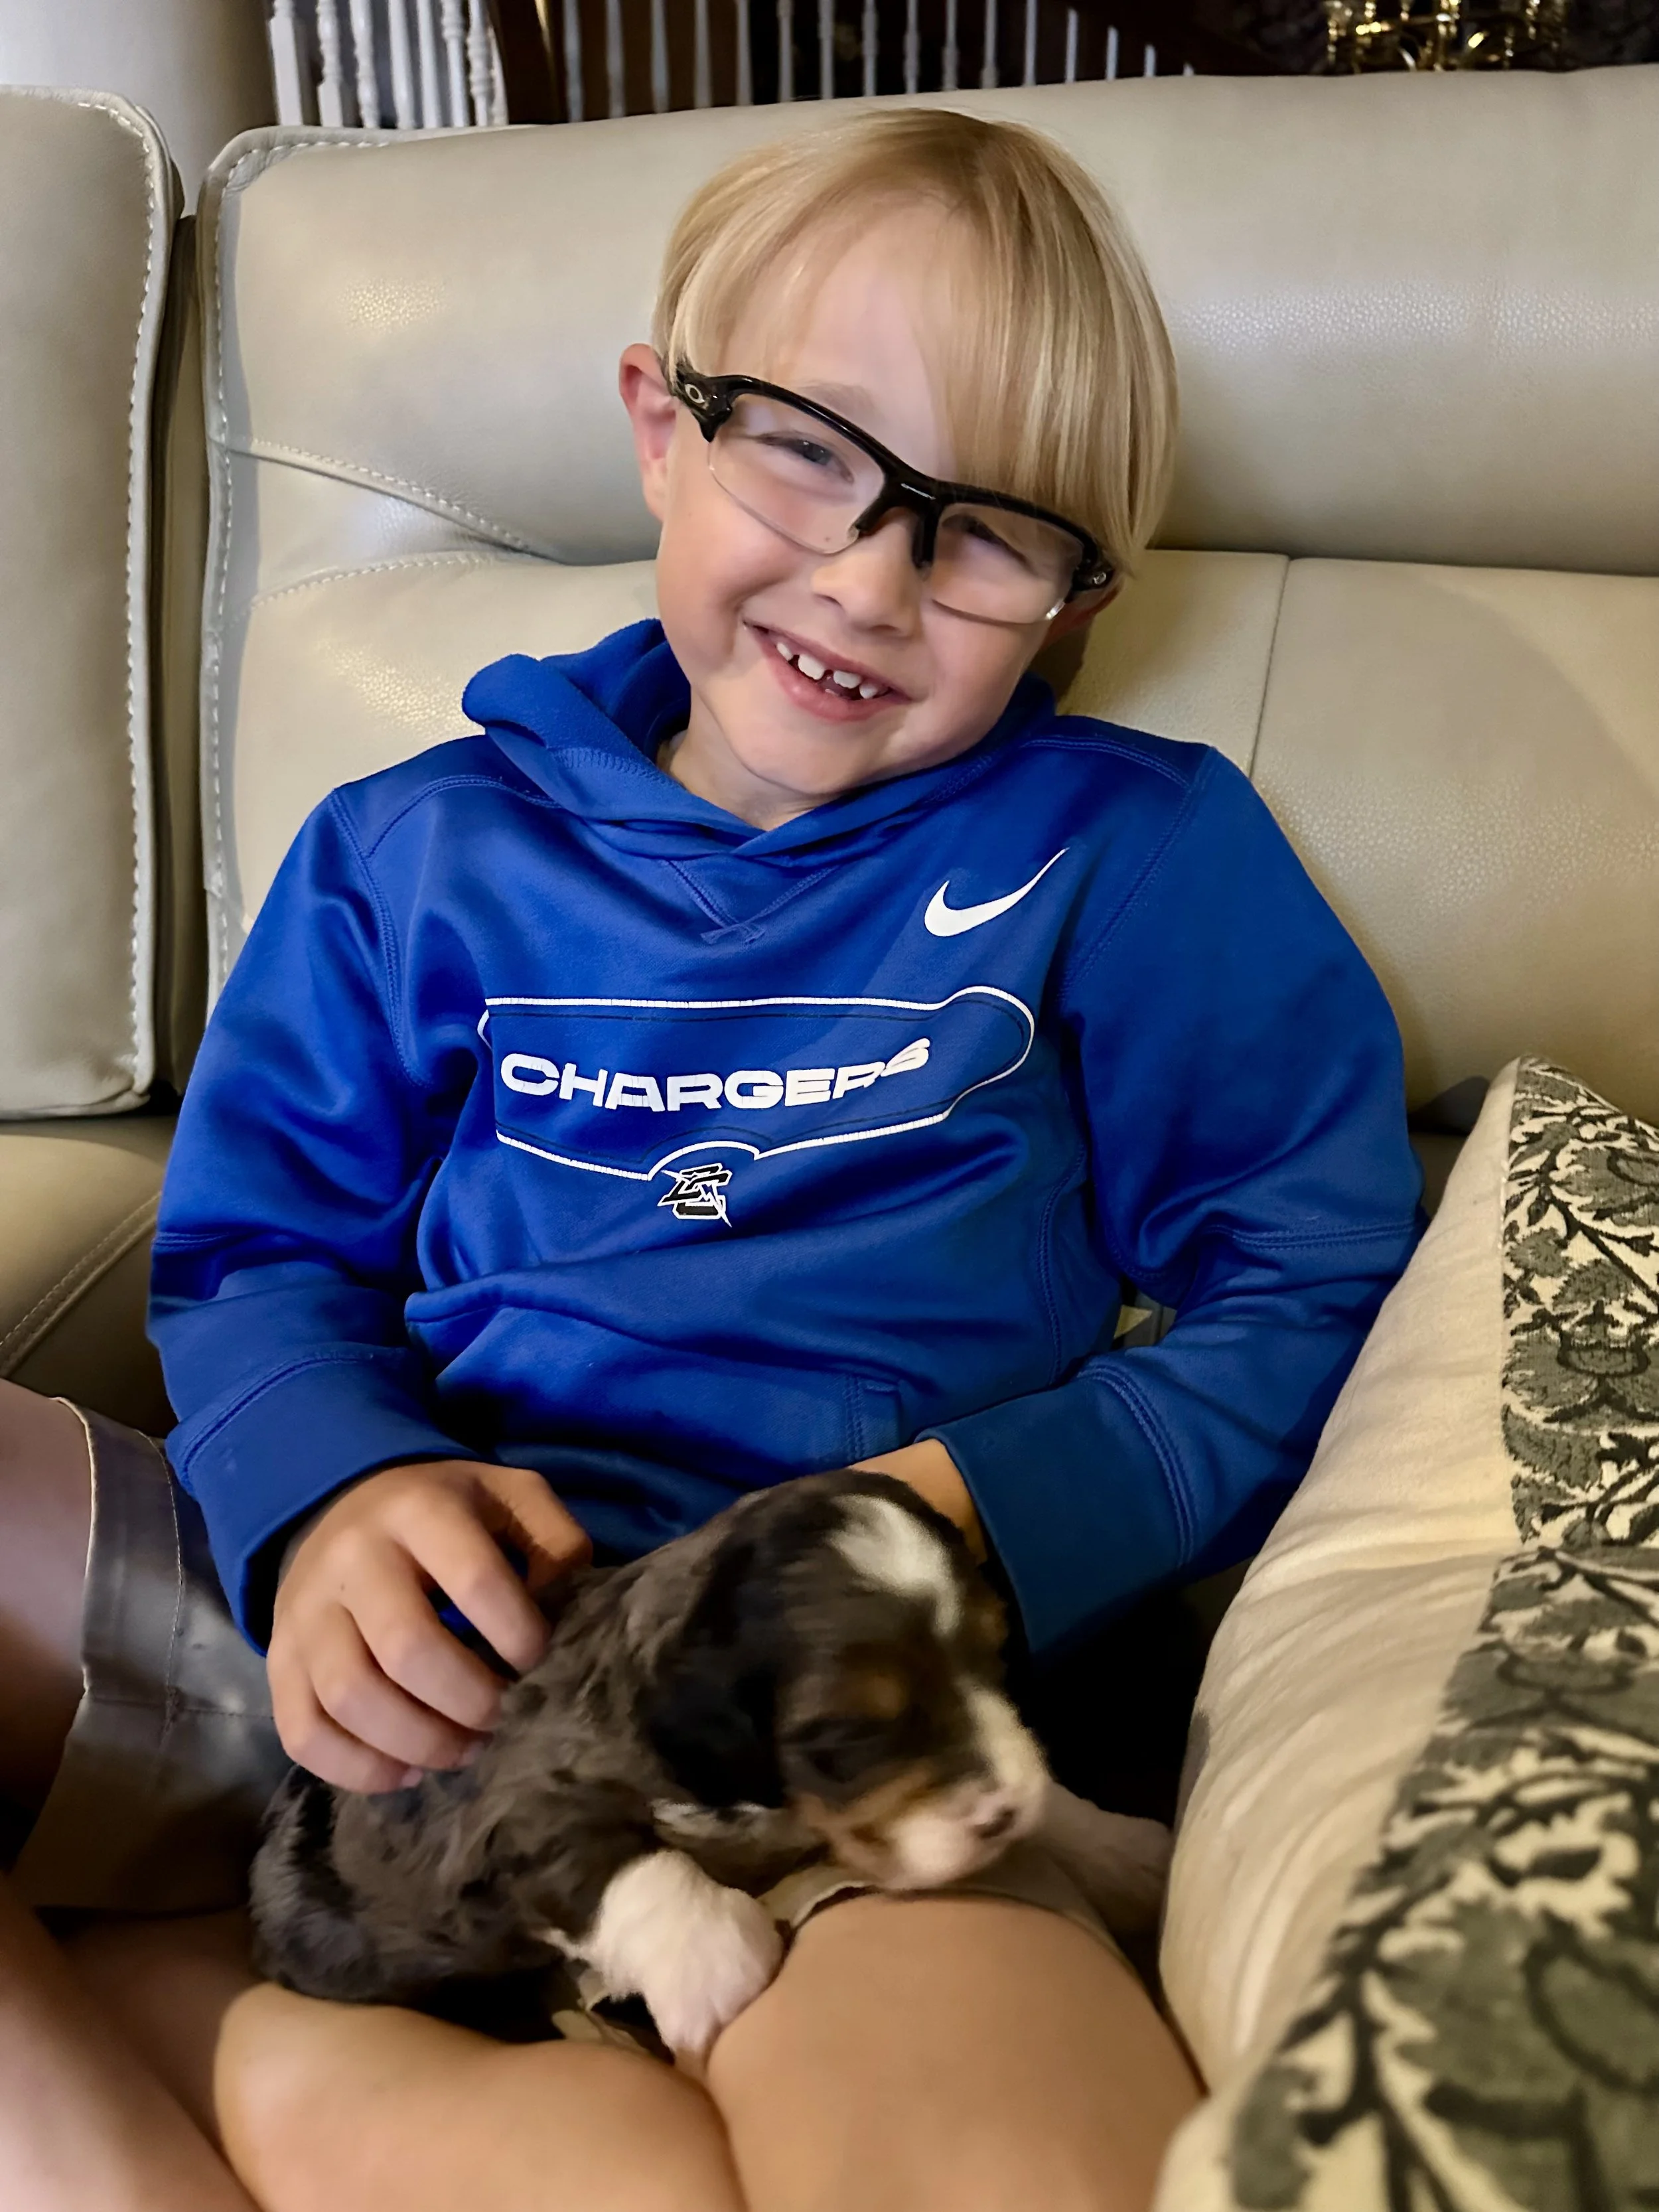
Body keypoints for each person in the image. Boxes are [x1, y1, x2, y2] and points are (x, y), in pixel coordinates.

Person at [0, 108, 1420, 2212]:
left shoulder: (1136, 852)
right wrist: (333, 1487)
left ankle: (281, 2038)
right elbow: (261, 1248)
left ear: (1075, 594)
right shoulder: (410, 851)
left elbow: (1313, 1284)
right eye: (805, 450)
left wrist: (975, 1514)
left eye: (984, 530)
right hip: (383, 1642)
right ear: (660, 423)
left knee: (993, 2159)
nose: (866, 576)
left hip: (844, 1710)